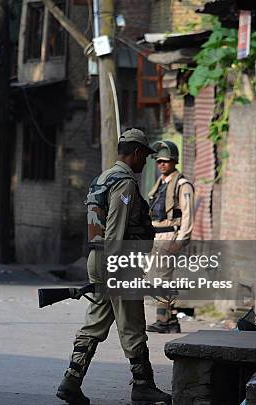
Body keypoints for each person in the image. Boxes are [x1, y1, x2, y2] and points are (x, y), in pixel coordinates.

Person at [56, 128, 171, 405]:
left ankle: (71, 381)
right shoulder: (125, 183)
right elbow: (116, 231)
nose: (145, 163)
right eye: (144, 156)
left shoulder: (103, 178)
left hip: (100, 258)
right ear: (135, 153)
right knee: (132, 323)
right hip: (117, 259)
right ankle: (143, 385)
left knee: (95, 322)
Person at [146, 140, 194, 334]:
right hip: (156, 236)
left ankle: (163, 320)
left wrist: (180, 240)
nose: (161, 164)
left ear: (174, 161)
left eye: (166, 161)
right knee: (154, 278)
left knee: (162, 279)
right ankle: (171, 320)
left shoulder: (182, 184)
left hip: (169, 236)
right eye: (159, 161)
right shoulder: (160, 184)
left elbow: (188, 214)